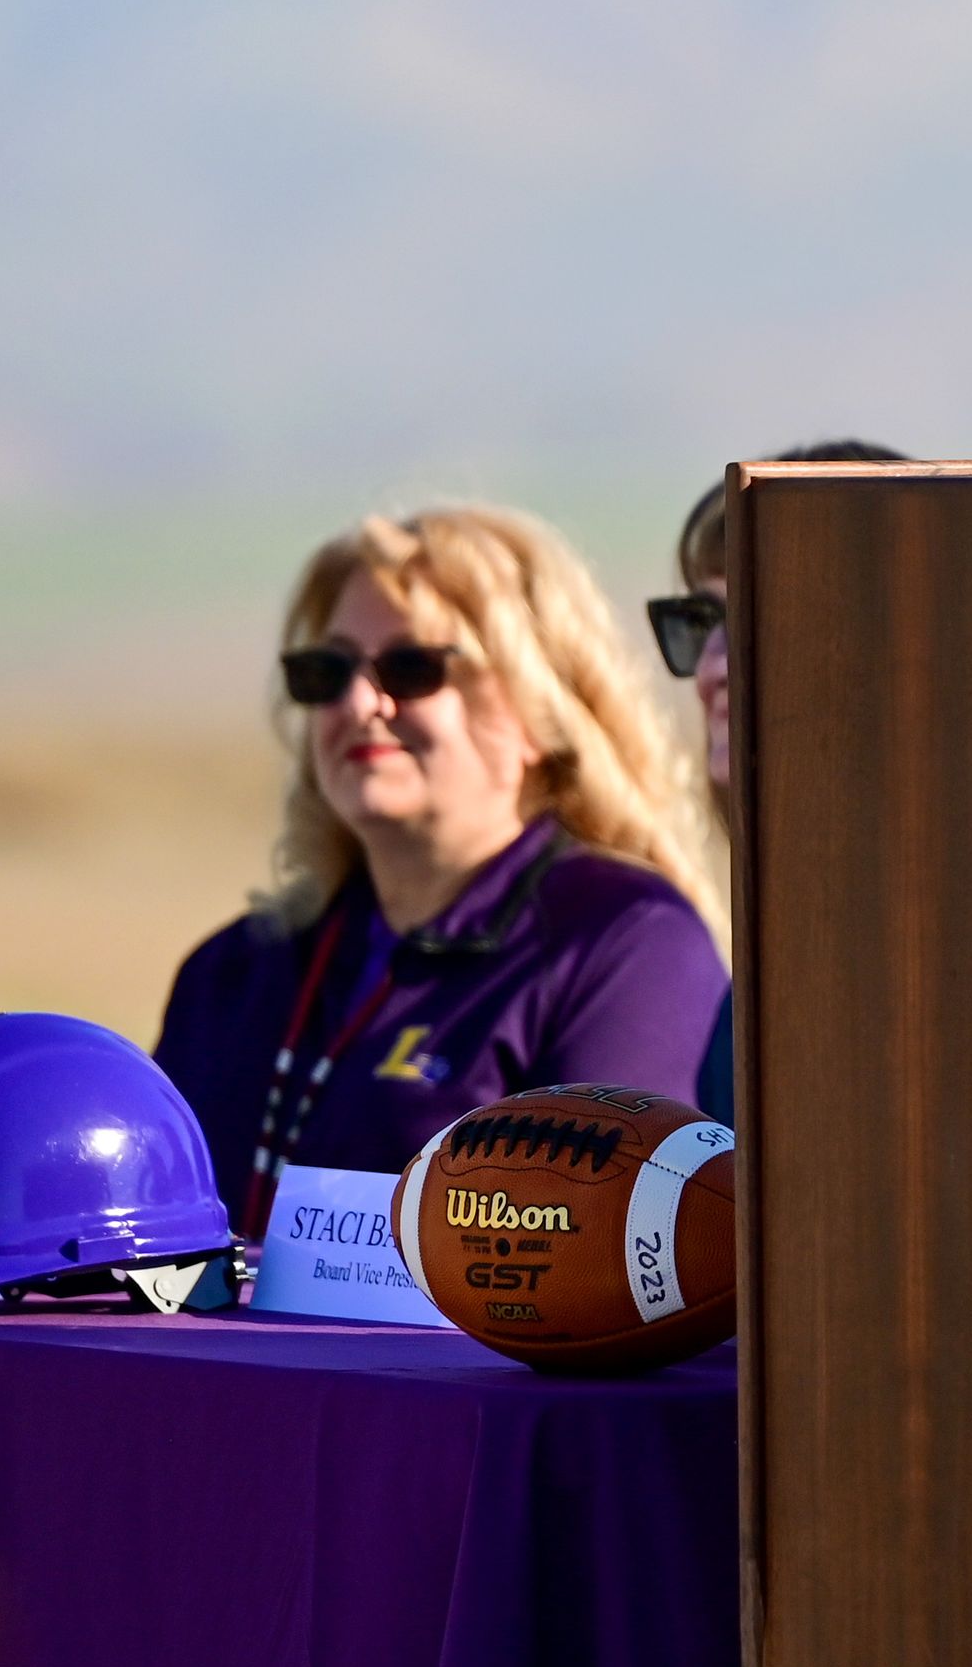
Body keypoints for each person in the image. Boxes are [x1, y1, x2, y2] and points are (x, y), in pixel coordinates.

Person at [156, 505, 728, 1237]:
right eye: (327, 672)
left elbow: (604, 1256)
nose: (360, 703)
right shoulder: (231, 972)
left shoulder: (625, 949)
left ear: (536, 708)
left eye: (411, 667)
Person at [650, 440, 912, 1125]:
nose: (713, 669)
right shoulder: (785, 952)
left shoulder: (947, 954)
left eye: (761, 615)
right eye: (701, 622)